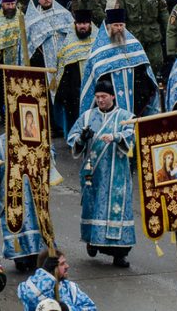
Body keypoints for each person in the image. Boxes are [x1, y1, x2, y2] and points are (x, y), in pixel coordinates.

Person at [67, 78, 135, 267]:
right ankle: (92, 241)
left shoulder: (125, 116)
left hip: (117, 174)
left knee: (117, 212)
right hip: (93, 173)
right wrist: (82, 138)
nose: (100, 100)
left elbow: (132, 136)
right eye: (97, 97)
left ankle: (119, 254)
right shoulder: (87, 116)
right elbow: (72, 138)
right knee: (93, 207)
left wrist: (116, 137)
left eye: (104, 96)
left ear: (113, 96)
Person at [0, 133, 51, 272]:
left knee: (36, 223)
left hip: (34, 193)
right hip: (11, 193)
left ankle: (37, 255)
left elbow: (50, 155)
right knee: (16, 224)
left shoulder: (35, 136)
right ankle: (20, 257)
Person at [78, 8, 159, 117]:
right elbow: (94, 78)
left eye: (121, 25)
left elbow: (143, 69)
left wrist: (143, 89)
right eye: (116, 25)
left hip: (135, 96)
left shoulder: (133, 44)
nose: (119, 28)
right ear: (108, 27)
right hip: (111, 99)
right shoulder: (99, 49)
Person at [116, 0, 168, 75]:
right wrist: (119, 39)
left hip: (152, 34)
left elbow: (163, 12)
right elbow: (119, 18)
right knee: (136, 65)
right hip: (133, 36)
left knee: (157, 62)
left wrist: (167, 30)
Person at [54, 10, 97, 134]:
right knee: (73, 111)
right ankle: (75, 137)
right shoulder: (68, 43)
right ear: (75, 24)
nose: (82, 26)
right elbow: (62, 68)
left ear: (90, 24)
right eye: (79, 23)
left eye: (85, 23)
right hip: (73, 88)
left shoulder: (97, 41)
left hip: (94, 87)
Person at [17, 250, 97, 310]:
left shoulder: (69, 287)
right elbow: (31, 299)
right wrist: (45, 274)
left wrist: (69, 309)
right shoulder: (26, 287)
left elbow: (91, 308)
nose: (67, 266)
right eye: (62, 264)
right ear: (51, 268)